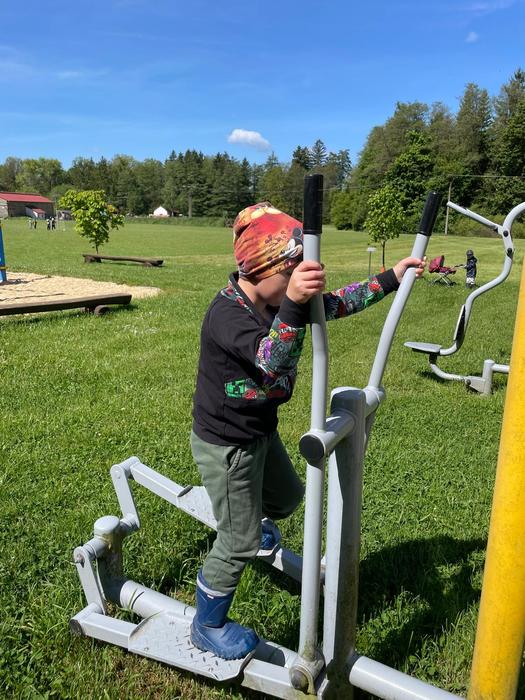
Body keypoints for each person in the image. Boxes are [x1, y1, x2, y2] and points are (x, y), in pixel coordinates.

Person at [190, 202, 425, 660]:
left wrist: (391, 277)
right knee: (237, 542)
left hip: (260, 431)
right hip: (227, 445)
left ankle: (251, 522)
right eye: (292, 271)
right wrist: (295, 303)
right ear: (261, 267)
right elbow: (271, 362)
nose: (300, 280)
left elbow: (334, 303)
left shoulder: (275, 300)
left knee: (287, 499)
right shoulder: (227, 314)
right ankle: (207, 623)